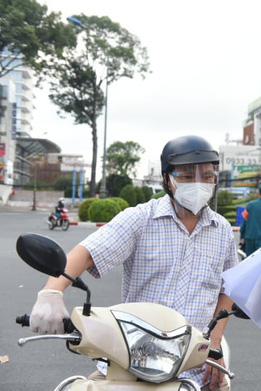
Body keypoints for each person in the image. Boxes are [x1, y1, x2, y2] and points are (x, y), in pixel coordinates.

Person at [29, 135, 238, 391]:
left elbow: (229, 286)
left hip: (196, 366)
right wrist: (51, 293)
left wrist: (215, 342)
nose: (198, 183)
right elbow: (86, 252)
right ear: (166, 179)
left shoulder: (223, 230)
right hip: (133, 363)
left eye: (207, 176)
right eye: (186, 176)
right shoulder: (140, 219)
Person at [239, 183, 261, 256]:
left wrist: (242, 236)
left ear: (258, 192)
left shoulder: (250, 205)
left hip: (249, 237)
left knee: (249, 260)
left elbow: (244, 222)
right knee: (259, 259)